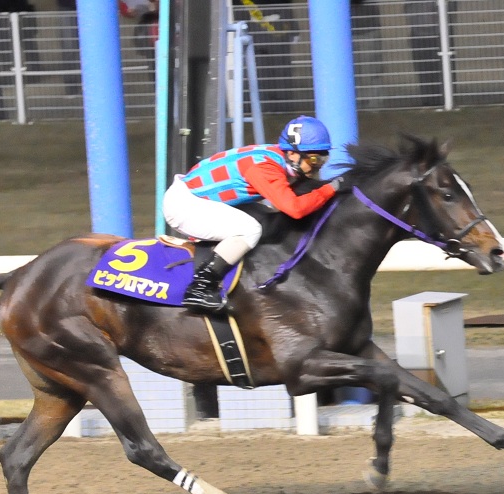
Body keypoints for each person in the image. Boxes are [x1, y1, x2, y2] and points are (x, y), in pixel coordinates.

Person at [162, 115, 344, 313]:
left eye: (323, 158)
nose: (318, 165)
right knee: (250, 230)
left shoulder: (277, 157)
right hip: (184, 205)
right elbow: (295, 209)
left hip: (195, 198)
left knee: (265, 219)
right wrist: (330, 189)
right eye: (314, 159)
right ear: (292, 154)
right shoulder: (265, 167)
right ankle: (200, 287)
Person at [351, 0, 383, 109]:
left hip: (370, 29)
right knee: (353, 68)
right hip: (350, 30)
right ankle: (358, 99)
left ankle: (375, 99)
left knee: (373, 66)